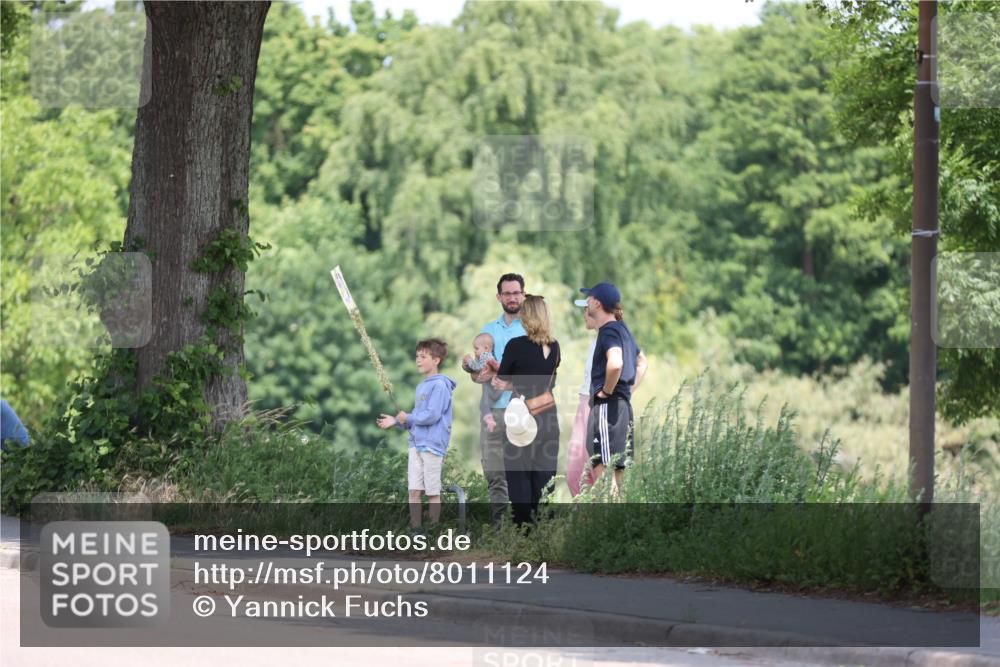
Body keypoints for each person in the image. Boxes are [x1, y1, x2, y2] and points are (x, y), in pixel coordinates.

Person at [492, 295, 561, 525]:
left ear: (526, 315)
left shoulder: (516, 346)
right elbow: (546, 381)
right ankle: (543, 528)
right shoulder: (555, 347)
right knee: (544, 475)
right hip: (548, 416)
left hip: (522, 417)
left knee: (518, 474)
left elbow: (502, 379)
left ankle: (524, 531)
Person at [465, 273, 526, 524]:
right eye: (507, 293)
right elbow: (478, 375)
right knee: (494, 472)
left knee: (522, 474)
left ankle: (526, 529)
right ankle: (501, 530)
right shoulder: (488, 330)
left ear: (523, 295)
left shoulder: (531, 330)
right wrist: (470, 368)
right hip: (491, 412)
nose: (512, 298)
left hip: (521, 411)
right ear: (499, 296)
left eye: (516, 292)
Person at [377, 338, 457, 529]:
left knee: (432, 491)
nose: (418, 361)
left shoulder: (439, 385)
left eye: (423, 356)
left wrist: (409, 418)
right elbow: (416, 417)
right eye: (417, 357)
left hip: (432, 445)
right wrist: (396, 421)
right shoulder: (421, 386)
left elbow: (432, 415)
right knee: (414, 490)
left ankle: (432, 531)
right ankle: (416, 531)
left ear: (436, 360)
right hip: (416, 443)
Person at [577, 282, 648, 494]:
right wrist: (626, 391)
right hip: (623, 409)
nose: (586, 304)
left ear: (596, 303)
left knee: (605, 480)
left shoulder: (607, 331)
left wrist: (608, 390)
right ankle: (616, 526)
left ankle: (607, 526)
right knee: (616, 481)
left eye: (588, 299)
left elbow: (615, 363)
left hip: (607, 408)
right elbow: (642, 362)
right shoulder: (623, 330)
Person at [566, 333, 598, 496]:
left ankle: (605, 520)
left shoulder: (616, 333)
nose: (585, 313)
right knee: (575, 475)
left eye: (587, 308)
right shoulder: (598, 338)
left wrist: (622, 395)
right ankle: (584, 520)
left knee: (599, 475)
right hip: (584, 403)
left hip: (597, 405)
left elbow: (641, 362)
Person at [463, 333, 503, 435]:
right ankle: (490, 420)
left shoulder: (485, 356)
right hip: (497, 390)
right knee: (485, 404)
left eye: (476, 349)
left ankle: (489, 420)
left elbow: (477, 367)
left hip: (491, 388)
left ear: (486, 348)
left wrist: (469, 361)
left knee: (483, 404)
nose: (475, 352)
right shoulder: (489, 356)